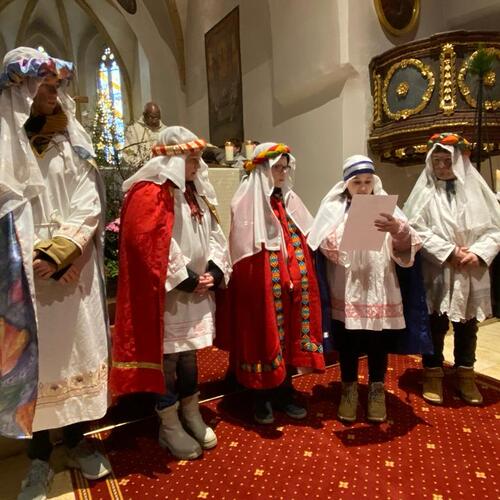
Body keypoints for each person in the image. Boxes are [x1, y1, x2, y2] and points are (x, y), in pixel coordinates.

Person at [0, 47, 111, 500]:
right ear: (21, 91)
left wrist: (65, 255)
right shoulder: (4, 146)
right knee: (38, 366)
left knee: (77, 356)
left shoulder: (70, 139)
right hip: (24, 279)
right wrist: (30, 260)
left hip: (71, 273)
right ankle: (39, 459)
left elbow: (89, 200)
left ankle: (79, 441)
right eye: (45, 86)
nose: (54, 93)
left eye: (56, 86)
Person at [111, 126, 231, 460]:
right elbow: (148, 242)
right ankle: (168, 422)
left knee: (189, 354)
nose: (197, 165)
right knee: (169, 358)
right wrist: (184, 278)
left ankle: (191, 412)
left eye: (198, 159)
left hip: (197, 289)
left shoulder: (197, 191)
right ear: (173, 161)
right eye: (191, 159)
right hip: (168, 295)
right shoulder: (149, 192)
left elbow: (215, 232)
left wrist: (215, 269)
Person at [308, 155, 427, 423]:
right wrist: (349, 238)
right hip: (347, 286)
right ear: (346, 184)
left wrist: (397, 230)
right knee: (348, 340)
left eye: (367, 181)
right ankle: (349, 387)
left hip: (379, 285)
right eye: (357, 182)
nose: (363, 188)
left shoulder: (386, 207)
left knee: (377, 340)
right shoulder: (334, 208)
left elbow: (410, 245)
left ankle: (376, 388)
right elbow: (320, 241)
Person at [216, 142, 325, 424]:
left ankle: (283, 390)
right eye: (277, 168)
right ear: (263, 169)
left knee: (287, 332)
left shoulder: (290, 199)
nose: (282, 173)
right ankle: (260, 394)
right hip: (260, 284)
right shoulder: (246, 201)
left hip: (289, 284)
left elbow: (307, 233)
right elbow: (244, 249)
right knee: (262, 333)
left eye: (285, 168)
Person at [404, 132, 500, 405]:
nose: (442, 166)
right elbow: (415, 227)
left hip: (471, 268)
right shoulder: (425, 192)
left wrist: (479, 253)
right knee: (435, 323)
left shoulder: (478, 191)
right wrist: (449, 252)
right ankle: (433, 372)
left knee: (467, 325)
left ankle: (465, 373)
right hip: (439, 268)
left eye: (447, 161)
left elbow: (496, 228)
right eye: (436, 161)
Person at [122, 101, 167, 169]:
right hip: (141, 169)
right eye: (152, 117)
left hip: (162, 169)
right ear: (144, 115)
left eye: (157, 117)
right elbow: (128, 151)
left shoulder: (166, 131)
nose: (154, 121)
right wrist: (139, 164)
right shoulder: (134, 130)